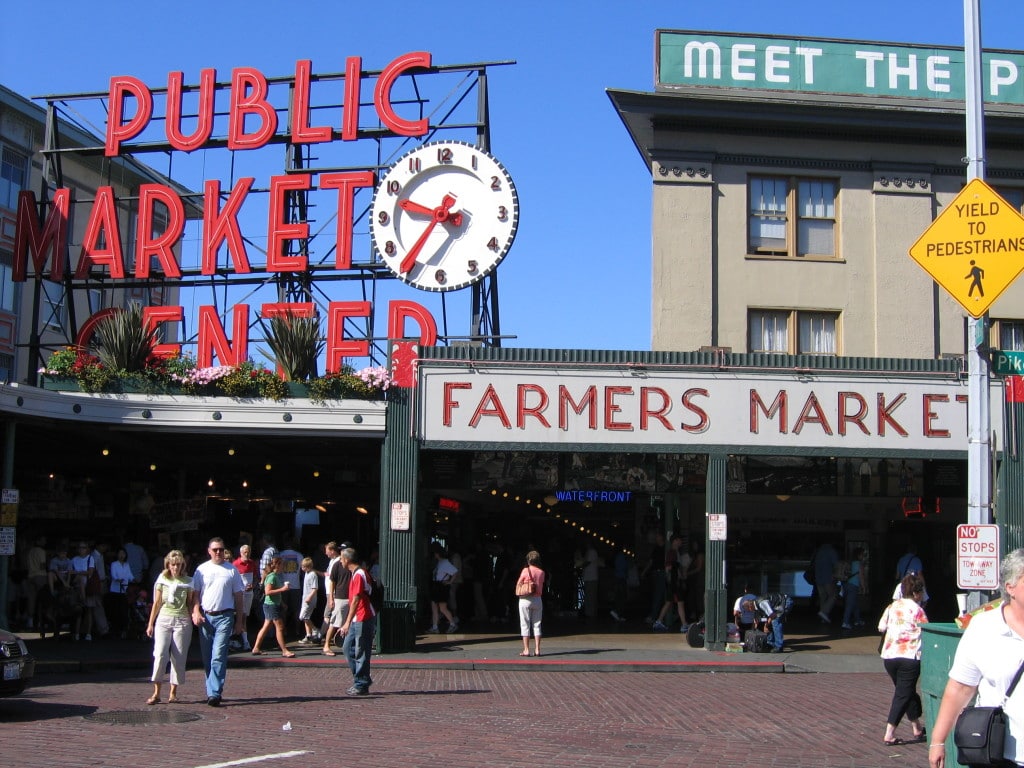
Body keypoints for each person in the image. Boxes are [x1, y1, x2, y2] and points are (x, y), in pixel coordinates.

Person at [928, 549, 1024, 767]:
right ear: (1010, 588)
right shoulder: (985, 628)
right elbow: (960, 687)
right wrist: (937, 741)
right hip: (1002, 754)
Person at [191, 537, 245, 707]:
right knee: (207, 657)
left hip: (225, 616)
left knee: (218, 655)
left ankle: (214, 692)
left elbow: (239, 596)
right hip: (206, 617)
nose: (218, 553)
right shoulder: (201, 570)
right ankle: (211, 690)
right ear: (209, 551)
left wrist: (239, 621)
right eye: (215, 550)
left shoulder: (231, 570)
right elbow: (195, 595)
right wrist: (196, 611)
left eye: (221, 549)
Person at [878, 573, 928, 746]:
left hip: (890, 656)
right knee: (903, 694)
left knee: (906, 691)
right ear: (916, 593)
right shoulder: (917, 609)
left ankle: (917, 728)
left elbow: (881, 627)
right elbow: (926, 629)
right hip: (910, 655)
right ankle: (889, 733)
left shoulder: (892, 606)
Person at [145, 550, 194, 705]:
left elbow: (190, 603)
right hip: (164, 618)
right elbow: (157, 602)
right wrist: (150, 623)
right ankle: (156, 692)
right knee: (160, 654)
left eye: (178, 565)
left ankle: (173, 692)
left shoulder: (188, 581)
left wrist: (194, 616)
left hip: (182, 619)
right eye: (173, 565)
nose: (175, 568)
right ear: (168, 565)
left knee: (178, 657)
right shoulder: (162, 579)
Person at [338, 546, 376, 695]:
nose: (340, 561)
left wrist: (346, 622)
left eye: (341, 558)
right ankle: (362, 678)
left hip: (363, 617)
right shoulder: (356, 574)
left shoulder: (359, 574)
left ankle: (361, 683)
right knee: (348, 648)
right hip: (357, 617)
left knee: (361, 650)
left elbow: (356, 600)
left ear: (347, 560)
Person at [250, 556, 295, 658]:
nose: (283, 567)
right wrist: (283, 589)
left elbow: (274, 593)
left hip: (272, 604)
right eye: (282, 565)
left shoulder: (275, 576)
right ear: (277, 565)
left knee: (266, 627)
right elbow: (268, 592)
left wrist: (282, 603)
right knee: (279, 627)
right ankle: (284, 650)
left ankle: (256, 648)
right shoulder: (272, 577)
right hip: (271, 606)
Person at [653, 534, 687, 632]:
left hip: (673, 581)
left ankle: (659, 621)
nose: (681, 542)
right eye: (679, 540)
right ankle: (684, 624)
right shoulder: (672, 552)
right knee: (680, 602)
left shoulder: (675, 552)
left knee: (669, 602)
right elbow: (668, 567)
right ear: (675, 541)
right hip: (674, 581)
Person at [322, 541, 350, 656]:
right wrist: (331, 598)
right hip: (340, 597)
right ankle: (326, 645)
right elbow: (332, 581)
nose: (342, 552)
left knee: (349, 622)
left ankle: (347, 645)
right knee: (334, 622)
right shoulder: (337, 564)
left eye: (345, 550)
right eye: (341, 550)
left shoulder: (353, 564)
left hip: (351, 597)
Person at [516, 550, 545, 657]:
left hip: (525, 599)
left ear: (528, 560)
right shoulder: (542, 572)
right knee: (537, 624)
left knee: (525, 624)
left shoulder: (525, 570)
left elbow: (519, 583)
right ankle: (537, 649)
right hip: (537, 599)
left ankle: (526, 650)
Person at [231, 544, 258, 651]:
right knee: (240, 616)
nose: (247, 554)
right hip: (239, 594)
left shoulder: (252, 563)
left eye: (249, 551)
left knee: (244, 616)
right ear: (241, 553)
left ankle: (241, 640)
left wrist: (253, 585)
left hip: (249, 594)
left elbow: (256, 578)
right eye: (245, 552)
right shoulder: (236, 564)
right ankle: (244, 642)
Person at [428, 543, 459, 633]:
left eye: (435, 553)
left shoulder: (445, 563)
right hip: (437, 585)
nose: (434, 555)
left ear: (438, 554)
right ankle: (435, 627)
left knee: (442, 608)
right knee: (435, 606)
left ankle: (452, 624)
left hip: (442, 586)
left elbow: (454, 572)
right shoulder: (440, 562)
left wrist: (449, 582)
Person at [107, 547, 134, 638]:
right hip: (115, 590)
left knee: (123, 610)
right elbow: (113, 575)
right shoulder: (114, 564)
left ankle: (123, 628)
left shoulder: (126, 564)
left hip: (124, 589)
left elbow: (130, 575)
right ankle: (115, 629)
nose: (122, 555)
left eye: (123, 553)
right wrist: (118, 579)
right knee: (115, 610)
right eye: (120, 553)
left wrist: (134, 579)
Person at [813, 541, 839, 624]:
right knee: (832, 595)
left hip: (818, 577)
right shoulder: (831, 551)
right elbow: (836, 564)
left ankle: (823, 618)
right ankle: (824, 612)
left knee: (823, 597)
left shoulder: (818, 551)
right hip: (828, 577)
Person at [842, 547, 866, 630]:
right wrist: (863, 587)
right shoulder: (859, 564)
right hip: (853, 586)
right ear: (859, 555)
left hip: (846, 584)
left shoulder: (850, 562)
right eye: (863, 554)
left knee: (855, 604)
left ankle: (858, 620)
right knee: (850, 604)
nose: (864, 556)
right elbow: (861, 577)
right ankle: (845, 622)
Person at [297, 557, 320, 644]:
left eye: (304, 567)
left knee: (303, 616)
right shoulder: (306, 573)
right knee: (306, 617)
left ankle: (315, 629)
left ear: (309, 566)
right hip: (305, 598)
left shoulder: (313, 574)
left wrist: (309, 597)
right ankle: (308, 635)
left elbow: (315, 588)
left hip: (309, 599)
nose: (302, 568)